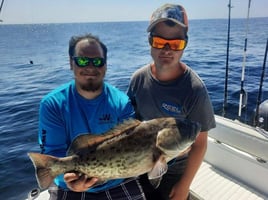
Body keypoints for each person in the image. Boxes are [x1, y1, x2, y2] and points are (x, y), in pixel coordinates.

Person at [38, 33, 146, 200]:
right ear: (70, 63)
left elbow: (132, 146)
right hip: (71, 184)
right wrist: (67, 179)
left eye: (97, 61)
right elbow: (53, 153)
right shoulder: (52, 104)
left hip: (117, 182)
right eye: (82, 61)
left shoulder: (122, 102)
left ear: (105, 65)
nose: (90, 66)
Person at [127, 4, 216, 200]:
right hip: (138, 162)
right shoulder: (138, 79)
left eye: (175, 44)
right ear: (150, 42)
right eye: (159, 41)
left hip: (176, 168)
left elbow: (200, 144)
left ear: (185, 44)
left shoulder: (195, 90)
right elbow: (128, 123)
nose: (167, 50)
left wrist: (184, 185)